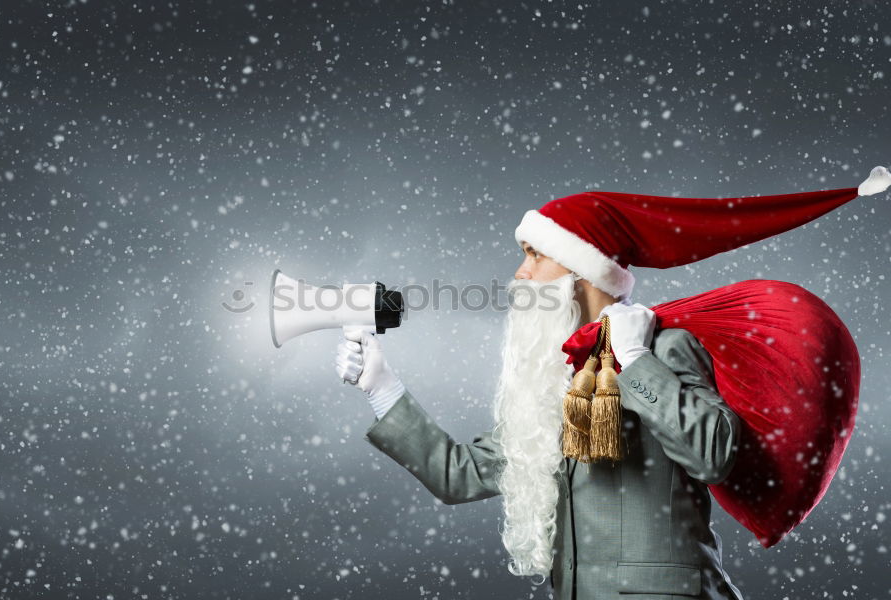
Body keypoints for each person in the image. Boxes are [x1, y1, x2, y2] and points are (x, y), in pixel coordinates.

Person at [334, 167, 890, 600]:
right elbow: (460, 477)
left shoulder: (663, 347)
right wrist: (383, 389)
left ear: (582, 270)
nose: (519, 275)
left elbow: (714, 454)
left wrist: (636, 359)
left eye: (534, 256)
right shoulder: (558, 377)